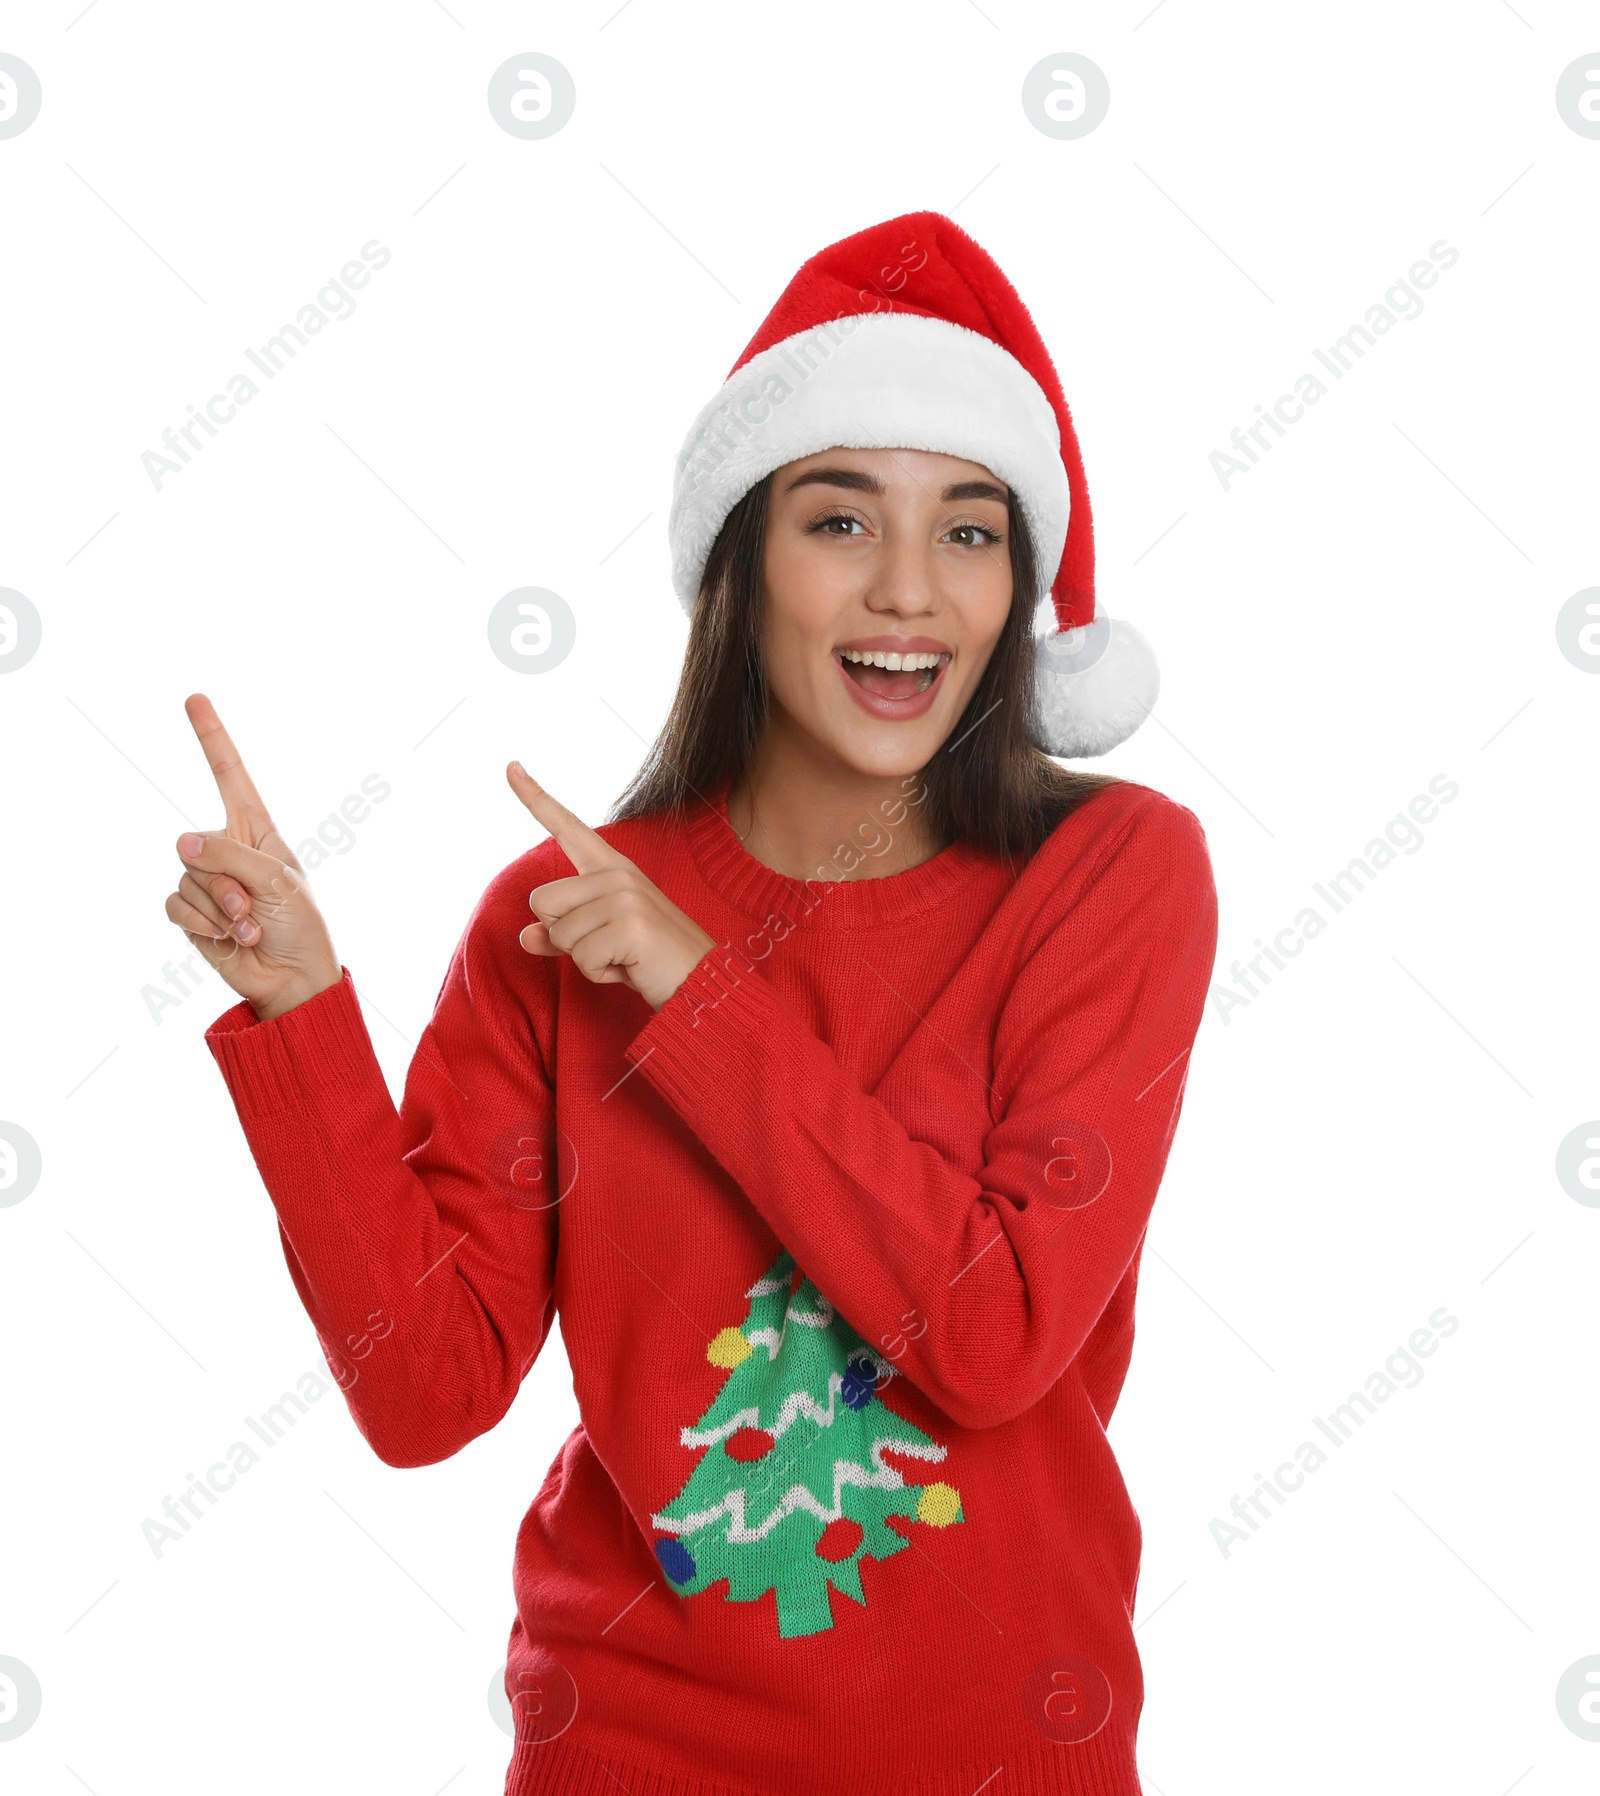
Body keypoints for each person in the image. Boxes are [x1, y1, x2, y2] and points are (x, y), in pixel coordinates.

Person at [165, 212, 1218, 1796]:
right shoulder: (561, 918)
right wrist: (307, 1019)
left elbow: (991, 1338)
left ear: (1022, 582)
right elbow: (425, 1388)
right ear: (743, 556)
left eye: (972, 531)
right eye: (841, 522)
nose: (911, 594)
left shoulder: (1113, 873)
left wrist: (693, 988)